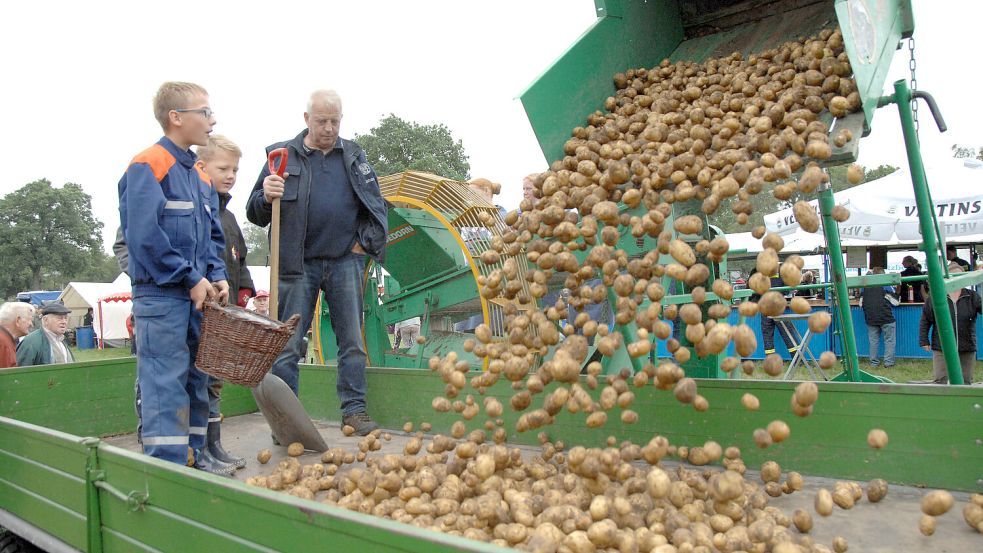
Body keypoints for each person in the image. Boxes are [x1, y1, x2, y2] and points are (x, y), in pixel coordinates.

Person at [246, 89, 388, 436]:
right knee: (288, 344)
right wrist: (266, 196)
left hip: (344, 261)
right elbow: (254, 212)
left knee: (351, 341)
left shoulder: (354, 156)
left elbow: (377, 206)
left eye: (335, 121)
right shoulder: (281, 157)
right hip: (296, 265)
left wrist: (361, 246)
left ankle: (354, 411)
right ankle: (285, 422)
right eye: (322, 121)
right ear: (306, 119)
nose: (328, 128)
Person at [118, 81, 229, 470]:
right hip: (162, 298)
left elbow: (213, 235)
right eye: (205, 112)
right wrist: (189, 277)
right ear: (176, 117)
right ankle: (166, 467)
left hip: (198, 297)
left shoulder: (198, 176)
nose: (212, 121)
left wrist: (217, 275)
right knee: (165, 383)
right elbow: (145, 237)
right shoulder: (148, 165)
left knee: (197, 377)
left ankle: (195, 457)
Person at [196, 134, 253, 473]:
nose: (231, 175)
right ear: (201, 167)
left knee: (215, 378)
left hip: (225, 311)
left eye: (235, 169)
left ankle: (214, 444)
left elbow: (239, 258)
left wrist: (244, 292)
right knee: (198, 377)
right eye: (224, 168)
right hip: (199, 309)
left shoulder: (228, 217)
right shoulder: (192, 207)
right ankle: (199, 445)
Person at [919, 263, 981, 384]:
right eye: (953, 276)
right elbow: (926, 319)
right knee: (940, 380)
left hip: (966, 345)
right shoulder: (936, 297)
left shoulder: (972, 296)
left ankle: (963, 402)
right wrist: (923, 340)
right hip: (942, 346)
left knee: (966, 380)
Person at [860, 267, 897, 368]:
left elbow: (860, 303)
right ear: (883, 275)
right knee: (889, 340)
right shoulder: (886, 285)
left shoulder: (864, 287)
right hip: (886, 317)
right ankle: (888, 363)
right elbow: (896, 302)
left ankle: (874, 363)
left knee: (873, 341)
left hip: (870, 318)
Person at [0, 302, 34, 368]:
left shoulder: (5, 339)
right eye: (29, 319)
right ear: (18, 320)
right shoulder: (3, 343)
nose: (31, 324)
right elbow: (5, 376)